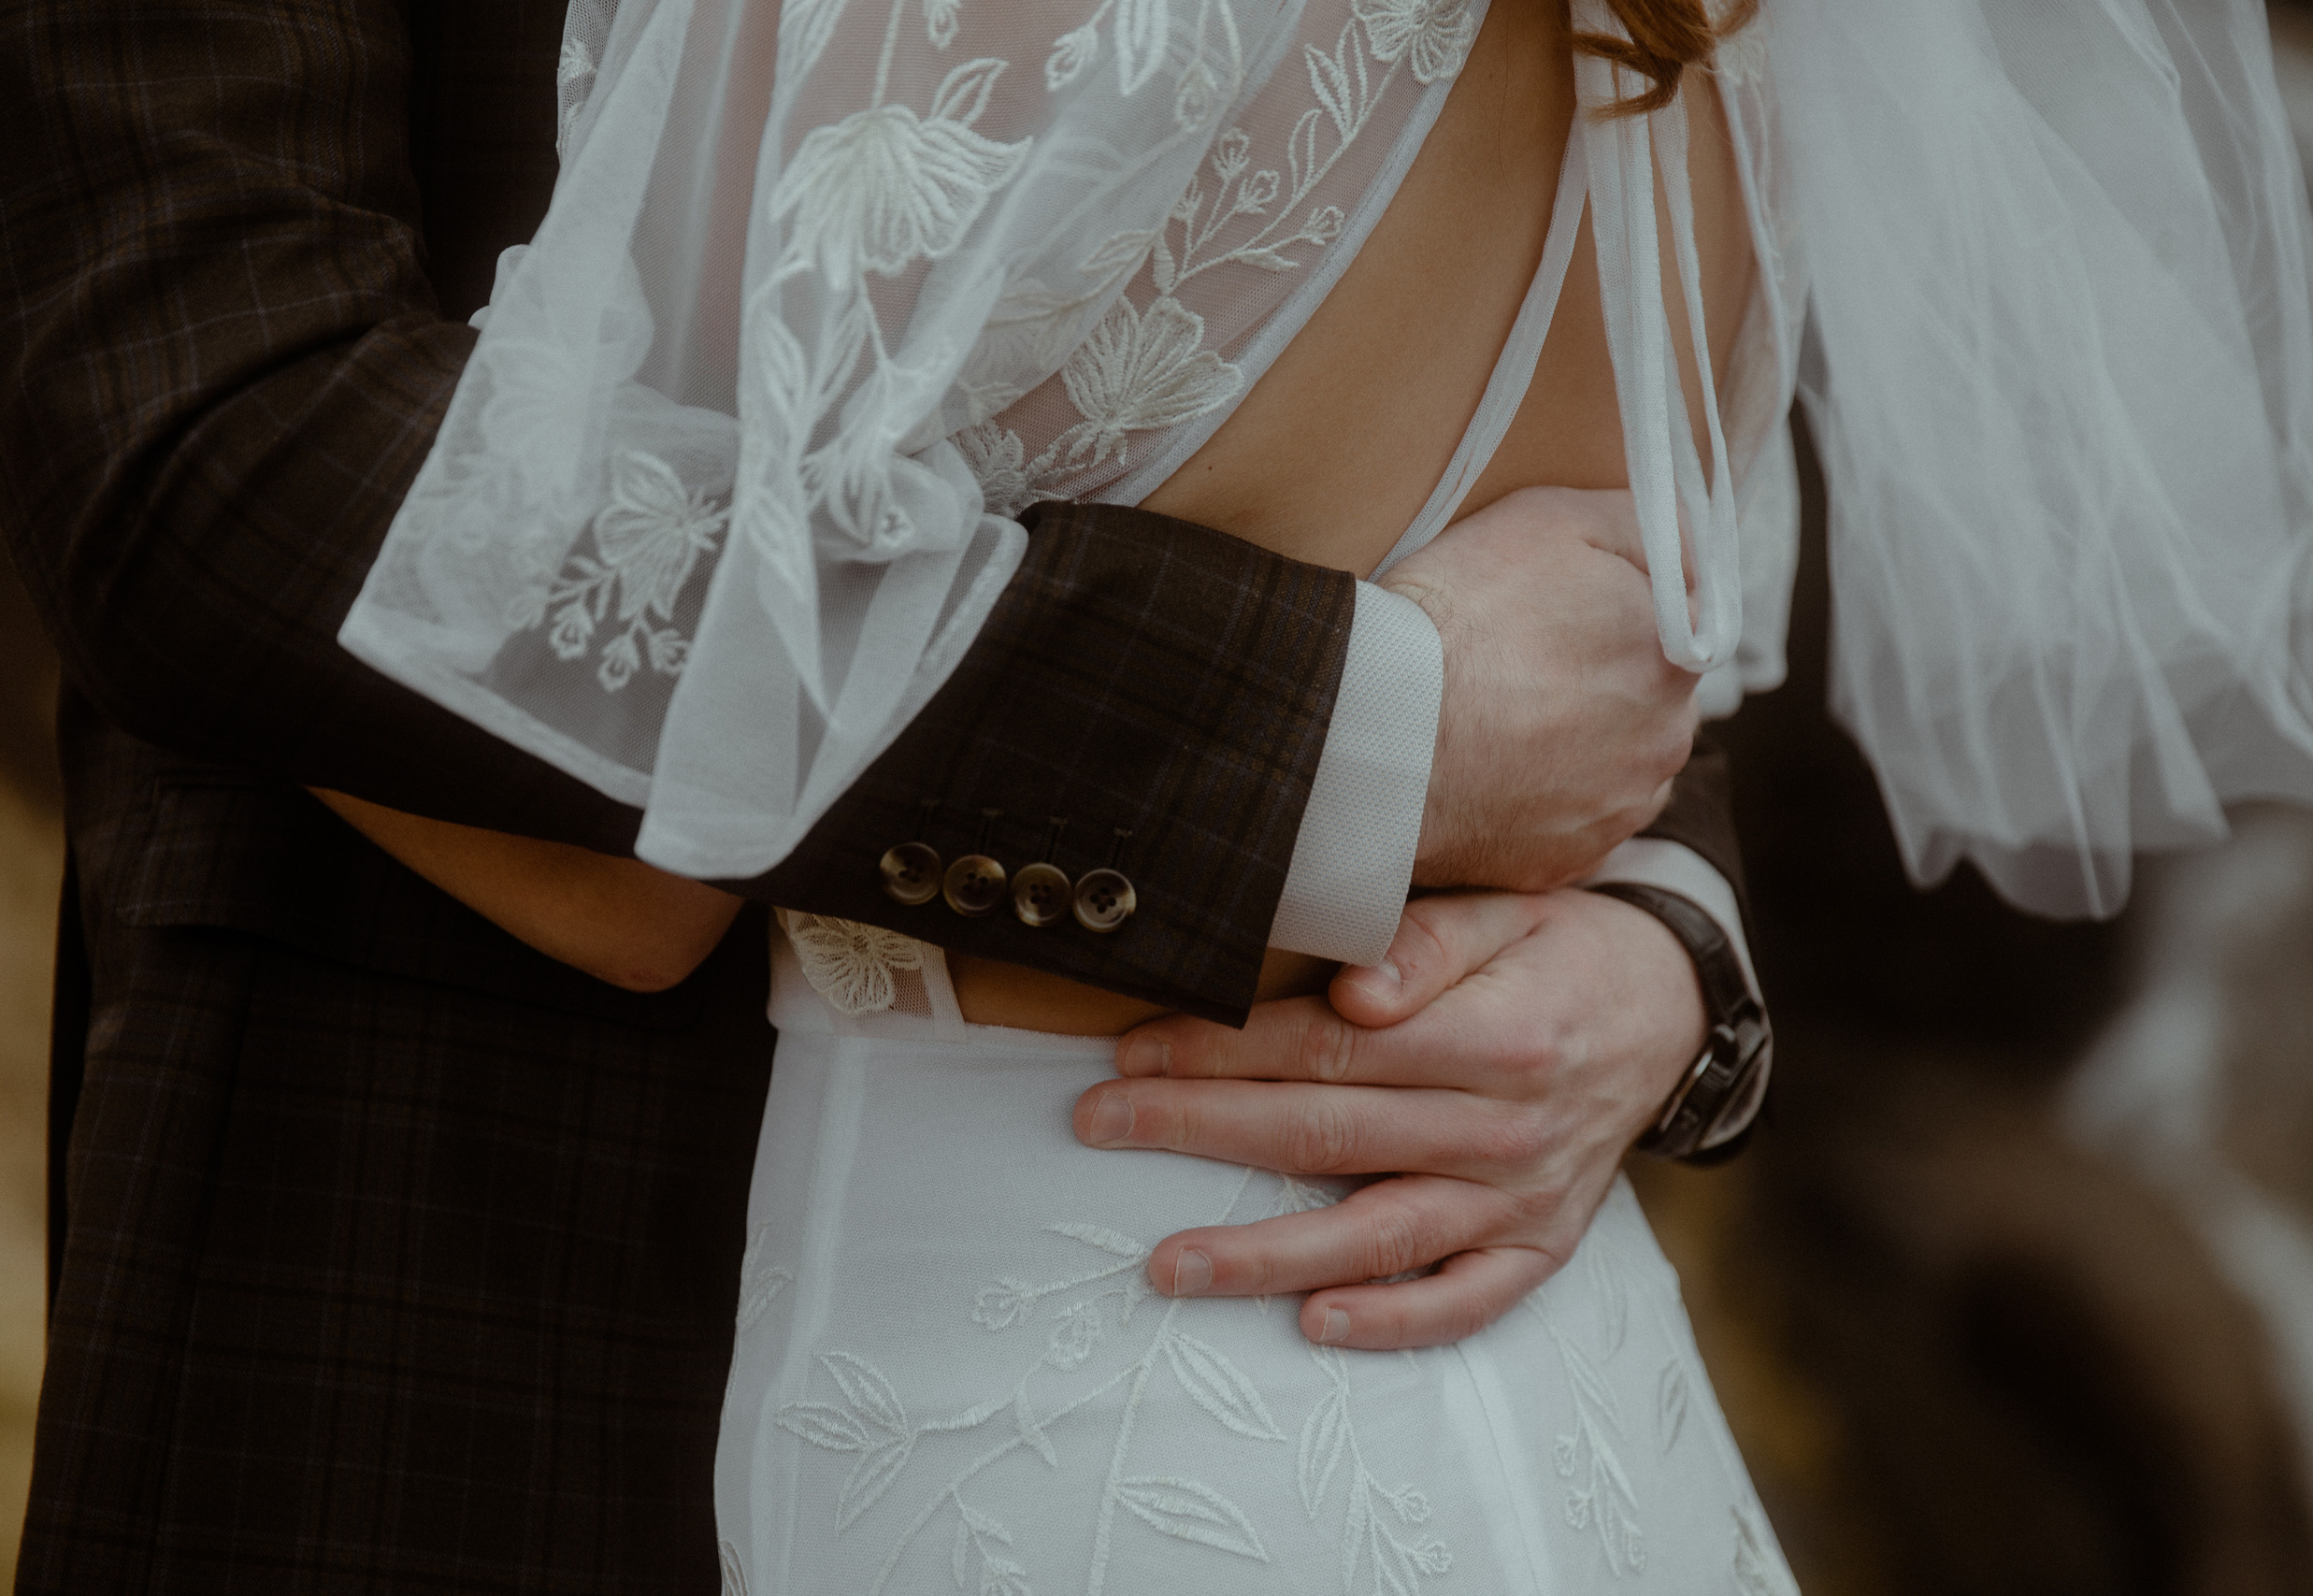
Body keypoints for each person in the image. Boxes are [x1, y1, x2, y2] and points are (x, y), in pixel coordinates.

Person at [295, 0, 2313, 1587]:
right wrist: (1651, 926)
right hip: (1550, 1385)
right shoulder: (1716, 55)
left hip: (1029, 1418)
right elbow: (1648, 697)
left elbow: (624, 868)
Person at [0, 0, 1757, 1589]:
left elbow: (1621, 617)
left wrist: (1659, 950)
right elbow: (207, 427)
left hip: (1005, 1373)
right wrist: (1359, 740)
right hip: (481, 1256)